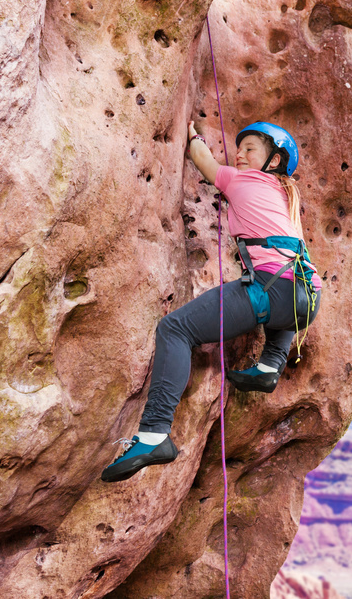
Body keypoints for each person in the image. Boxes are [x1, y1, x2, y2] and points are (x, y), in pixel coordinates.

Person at [100, 120, 323, 482]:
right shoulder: (286, 197)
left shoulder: (242, 180)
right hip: (307, 297)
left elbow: (203, 161)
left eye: (251, 148)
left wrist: (193, 136)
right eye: (240, 148)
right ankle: (270, 367)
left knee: (175, 329)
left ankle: (154, 435)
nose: (240, 154)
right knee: (282, 310)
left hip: (271, 289)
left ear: (275, 160)